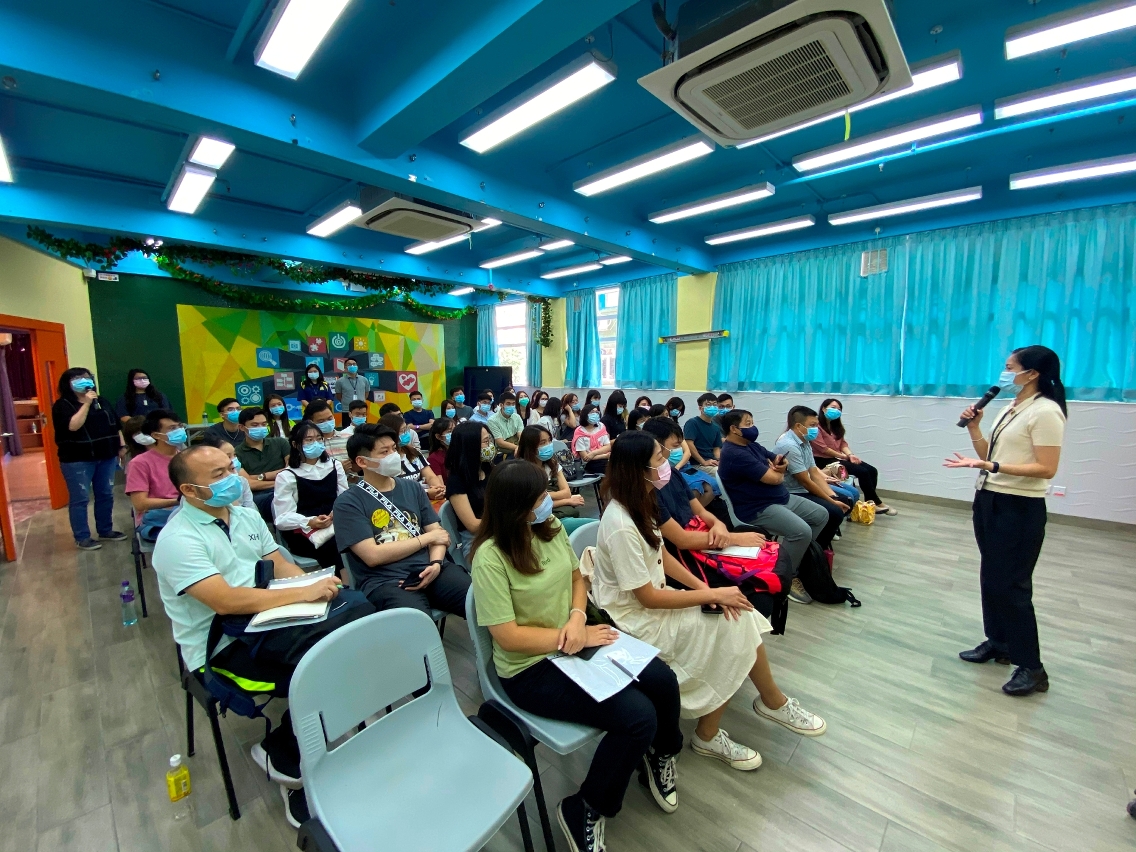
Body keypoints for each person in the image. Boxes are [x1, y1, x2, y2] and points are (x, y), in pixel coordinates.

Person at [152, 445, 370, 829]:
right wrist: (301, 594)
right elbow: (224, 600)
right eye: (219, 475)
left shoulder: (244, 514)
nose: (233, 478)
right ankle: (286, 758)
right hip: (223, 647)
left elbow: (278, 562)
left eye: (231, 467)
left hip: (271, 617)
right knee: (325, 665)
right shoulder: (178, 539)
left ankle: (301, 741)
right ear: (189, 490)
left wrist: (314, 588)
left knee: (357, 616)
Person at [471, 460, 683, 850]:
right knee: (638, 717)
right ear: (517, 506)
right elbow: (508, 637)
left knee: (663, 680)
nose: (549, 501)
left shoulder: (547, 528)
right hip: (530, 668)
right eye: (540, 497)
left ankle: (661, 753)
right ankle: (585, 807)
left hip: (574, 636)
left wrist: (577, 618)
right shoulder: (490, 558)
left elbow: (576, 577)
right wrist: (570, 637)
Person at [592, 432, 825, 773]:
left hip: (654, 599)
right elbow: (647, 598)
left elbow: (661, 558)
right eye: (660, 458)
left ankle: (761, 706)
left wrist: (703, 588)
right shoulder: (621, 524)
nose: (668, 462)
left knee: (740, 616)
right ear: (638, 470)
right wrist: (712, 594)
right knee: (734, 626)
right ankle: (722, 727)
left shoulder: (641, 499)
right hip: (634, 618)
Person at [946, 345, 1067, 697]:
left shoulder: (1046, 412)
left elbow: (1047, 468)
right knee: (992, 577)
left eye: (1010, 367)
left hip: (1019, 507)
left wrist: (991, 466)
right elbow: (990, 456)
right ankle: (999, 642)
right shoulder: (1011, 408)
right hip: (990, 499)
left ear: (1032, 373)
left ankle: (1032, 668)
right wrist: (975, 429)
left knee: (1013, 586)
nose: (1005, 373)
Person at [335, 424, 470, 617]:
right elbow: (373, 555)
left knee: (479, 601)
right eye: (384, 452)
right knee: (415, 624)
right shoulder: (348, 503)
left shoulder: (412, 488)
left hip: (432, 567)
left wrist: (436, 563)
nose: (394, 455)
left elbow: (439, 535)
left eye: (394, 449)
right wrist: (426, 538)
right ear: (362, 461)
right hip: (387, 581)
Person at [718, 410, 828, 604]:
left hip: (780, 498)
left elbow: (778, 458)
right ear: (734, 429)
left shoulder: (750, 445)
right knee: (801, 531)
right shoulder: (734, 454)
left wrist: (780, 465)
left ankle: (795, 558)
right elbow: (774, 478)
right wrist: (779, 472)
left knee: (821, 515)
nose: (753, 427)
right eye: (748, 423)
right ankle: (786, 576)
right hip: (757, 508)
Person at [642, 418, 764, 553]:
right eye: (675, 447)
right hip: (685, 550)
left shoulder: (674, 474)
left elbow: (700, 511)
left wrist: (718, 525)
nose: (679, 451)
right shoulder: (649, 490)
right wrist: (733, 538)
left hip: (699, 536)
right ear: (656, 446)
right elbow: (681, 540)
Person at [51, 367, 126, 550]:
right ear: (68, 383)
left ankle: (105, 530)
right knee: (80, 498)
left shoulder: (102, 401)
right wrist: (85, 404)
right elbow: (73, 426)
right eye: (78, 378)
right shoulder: (62, 405)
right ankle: (82, 537)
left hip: (106, 455)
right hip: (77, 459)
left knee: (106, 494)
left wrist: (121, 446)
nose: (85, 381)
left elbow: (115, 426)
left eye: (87, 377)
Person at [273, 421, 348, 569]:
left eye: (319, 439)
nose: (316, 443)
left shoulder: (334, 465)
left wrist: (337, 512)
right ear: (295, 444)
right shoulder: (287, 476)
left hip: (335, 522)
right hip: (304, 531)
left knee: (356, 536)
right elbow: (282, 518)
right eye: (309, 440)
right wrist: (309, 522)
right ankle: (343, 581)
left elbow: (345, 497)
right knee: (337, 544)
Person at [774, 406, 849, 551]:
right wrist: (832, 501)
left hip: (802, 489)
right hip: (790, 492)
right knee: (834, 512)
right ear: (798, 426)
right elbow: (805, 481)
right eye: (812, 425)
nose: (816, 429)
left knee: (842, 501)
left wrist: (832, 496)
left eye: (817, 425)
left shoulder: (804, 441)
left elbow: (814, 472)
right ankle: (812, 552)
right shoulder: (789, 445)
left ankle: (817, 549)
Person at [811, 398, 896, 515]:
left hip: (837, 458)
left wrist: (850, 455)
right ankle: (876, 502)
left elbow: (843, 444)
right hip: (822, 460)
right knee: (863, 472)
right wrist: (843, 457)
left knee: (872, 470)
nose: (836, 411)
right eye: (833, 407)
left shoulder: (836, 427)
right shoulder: (816, 427)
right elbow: (823, 448)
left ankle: (870, 502)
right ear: (824, 409)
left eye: (839, 409)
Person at [125, 409, 185, 535]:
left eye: (180, 426)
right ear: (156, 435)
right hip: (156, 519)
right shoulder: (139, 463)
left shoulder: (187, 458)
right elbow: (140, 504)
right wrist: (179, 500)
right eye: (172, 428)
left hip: (185, 513)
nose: (179, 430)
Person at [516, 425, 585, 518]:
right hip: (537, 516)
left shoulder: (552, 464)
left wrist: (542, 496)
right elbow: (533, 505)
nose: (548, 445)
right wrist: (567, 501)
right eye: (543, 443)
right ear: (530, 447)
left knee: (572, 513)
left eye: (549, 440)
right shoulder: (522, 471)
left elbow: (566, 493)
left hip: (553, 508)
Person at [445, 420, 493, 552]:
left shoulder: (488, 469)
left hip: (497, 533)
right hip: (475, 541)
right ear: (471, 446)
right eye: (486, 442)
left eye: (489, 440)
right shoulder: (456, 481)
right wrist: (507, 519)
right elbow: (473, 526)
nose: (490, 446)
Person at [235, 407, 290, 519]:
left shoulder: (280, 443)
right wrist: (280, 481)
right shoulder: (236, 453)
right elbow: (248, 484)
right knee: (278, 499)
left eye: (264, 424)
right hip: (260, 496)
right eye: (255, 425)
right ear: (241, 427)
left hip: (287, 488)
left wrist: (261, 476)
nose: (261, 428)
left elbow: (291, 469)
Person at [378, 413, 446, 501]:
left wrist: (438, 489)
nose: (406, 433)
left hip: (425, 499)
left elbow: (430, 476)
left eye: (406, 429)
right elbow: (394, 490)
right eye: (402, 431)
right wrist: (426, 493)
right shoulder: (385, 460)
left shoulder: (413, 452)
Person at [196, 432, 256, 509]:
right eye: (228, 456)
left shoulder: (242, 481)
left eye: (234, 455)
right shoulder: (204, 487)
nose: (233, 460)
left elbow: (252, 510)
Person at [304, 399, 355, 468]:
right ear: (311, 422)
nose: (327, 423)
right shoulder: (310, 445)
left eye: (330, 418)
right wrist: (337, 469)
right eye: (321, 421)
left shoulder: (349, 438)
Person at [683, 393, 723, 470]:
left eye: (714, 404)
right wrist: (703, 462)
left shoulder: (716, 427)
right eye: (708, 404)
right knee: (720, 473)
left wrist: (719, 461)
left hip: (712, 462)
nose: (712, 407)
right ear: (700, 408)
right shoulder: (692, 423)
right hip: (697, 464)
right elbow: (689, 445)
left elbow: (716, 449)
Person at [572, 403, 611, 474]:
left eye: (597, 412)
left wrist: (593, 453)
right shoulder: (579, 432)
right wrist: (604, 456)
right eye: (592, 412)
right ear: (585, 415)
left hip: (604, 459)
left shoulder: (601, 427)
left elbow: (608, 446)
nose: (595, 414)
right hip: (589, 463)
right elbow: (585, 457)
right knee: (610, 469)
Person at [333, 358, 370, 425]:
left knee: (363, 429)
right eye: (349, 364)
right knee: (347, 429)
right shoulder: (340, 381)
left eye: (354, 364)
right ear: (345, 367)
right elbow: (339, 396)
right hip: (346, 410)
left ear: (357, 366)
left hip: (361, 411)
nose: (352, 366)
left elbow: (366, 393)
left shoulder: (364, 380)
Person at [487, 391, 525, 456]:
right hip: (502, 452)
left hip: (517, 449)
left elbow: (521, 435)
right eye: (508, 404)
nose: (511, 406)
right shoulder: (492, 420)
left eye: (513, 404)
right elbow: (500, 442)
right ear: (501, 405)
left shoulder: (517, 417)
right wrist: (518, 448)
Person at [426, 417, 453, 482]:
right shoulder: (434, 458)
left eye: (454, 430)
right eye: (449, 431)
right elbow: (440, 484)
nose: (454, 433)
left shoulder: (460, 451)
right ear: (438, 436)